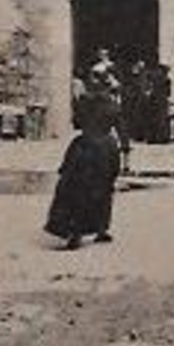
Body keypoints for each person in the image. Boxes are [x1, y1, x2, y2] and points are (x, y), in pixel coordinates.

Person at [44, 89, 122, 250]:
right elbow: (120, 127)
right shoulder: (112, 109)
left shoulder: (85, 106)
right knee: (102, 193)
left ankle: (75, 230)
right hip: (104, 151)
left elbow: (77, 122)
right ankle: (99, 229)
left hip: (84, 148)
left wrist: (66, 167)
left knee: (77, 194)